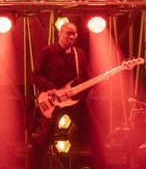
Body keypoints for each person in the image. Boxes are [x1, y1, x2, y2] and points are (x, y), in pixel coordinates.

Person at [29, 21, 105, 169]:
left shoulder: (80, 54)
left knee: (96, 136)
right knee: (42, 141)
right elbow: (35, 76)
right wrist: (49, 87)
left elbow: (88, 77)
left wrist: (101, 80)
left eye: (74, 34)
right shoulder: (48, 52)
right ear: (60, 33)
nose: (71, 36)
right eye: (68, 33)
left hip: (76, 102)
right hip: (54, 101)